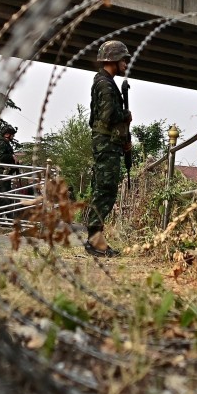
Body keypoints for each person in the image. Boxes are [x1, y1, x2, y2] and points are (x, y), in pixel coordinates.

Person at [84, 40, 133, 257]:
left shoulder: (106, 82)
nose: (126, 62)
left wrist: (123, 139)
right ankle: (95, 240)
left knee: (105, 189)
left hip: (109, 143)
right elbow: (106, 116)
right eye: (123, 58)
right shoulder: (105, 84)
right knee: (105, 189)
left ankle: (96, 237)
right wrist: (125, 116)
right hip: (106, 144)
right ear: (113, 59)